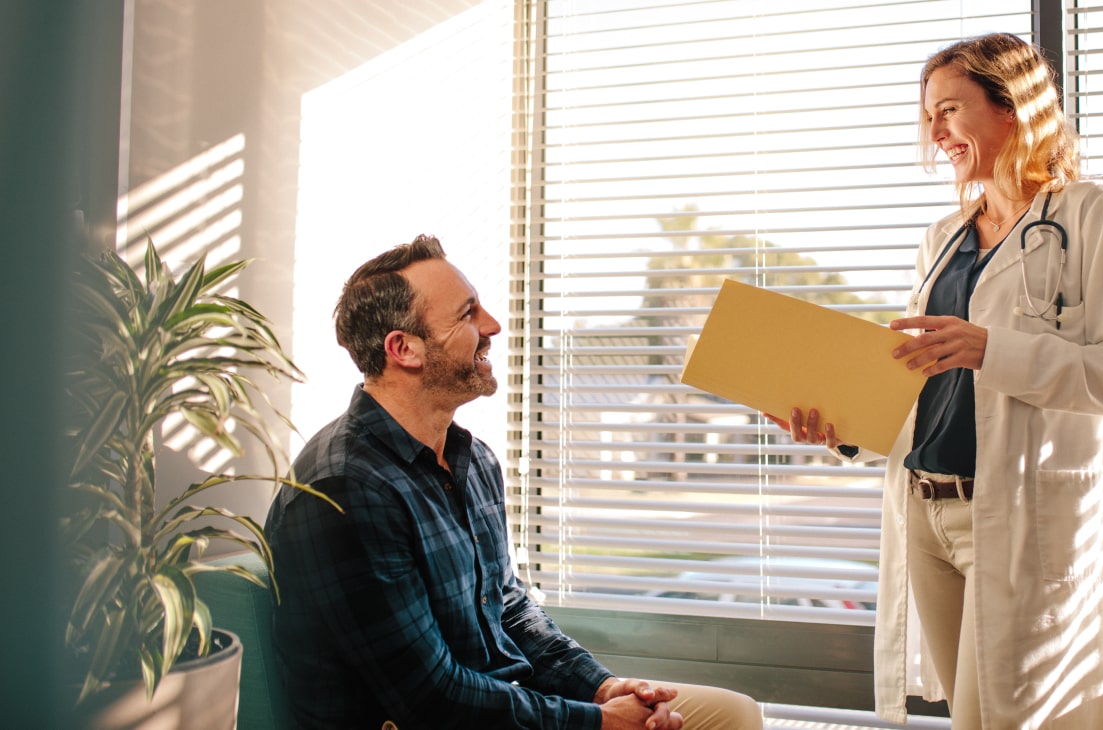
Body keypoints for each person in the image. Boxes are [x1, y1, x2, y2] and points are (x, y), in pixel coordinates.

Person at [770, 33, 1103, 729]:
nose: (936, 132)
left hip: (1019, 513)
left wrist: (994, 350)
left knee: (1016, 719)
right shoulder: (944, 236)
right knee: (969, 718)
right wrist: (844, 427)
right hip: (926, 508)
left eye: (951, 109)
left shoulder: (1095, 215)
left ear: (1012, 108)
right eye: (928, 116)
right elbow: (928, 379)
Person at [266, 235, 763, 730]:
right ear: (404, 349)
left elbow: (508, 607)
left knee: (734, 714)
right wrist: (598, 723)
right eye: (468, 314)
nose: (492, 326)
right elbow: (430, 701)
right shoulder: (344, 489)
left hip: (507, 702)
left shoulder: (472, 460)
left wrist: (601, 688)